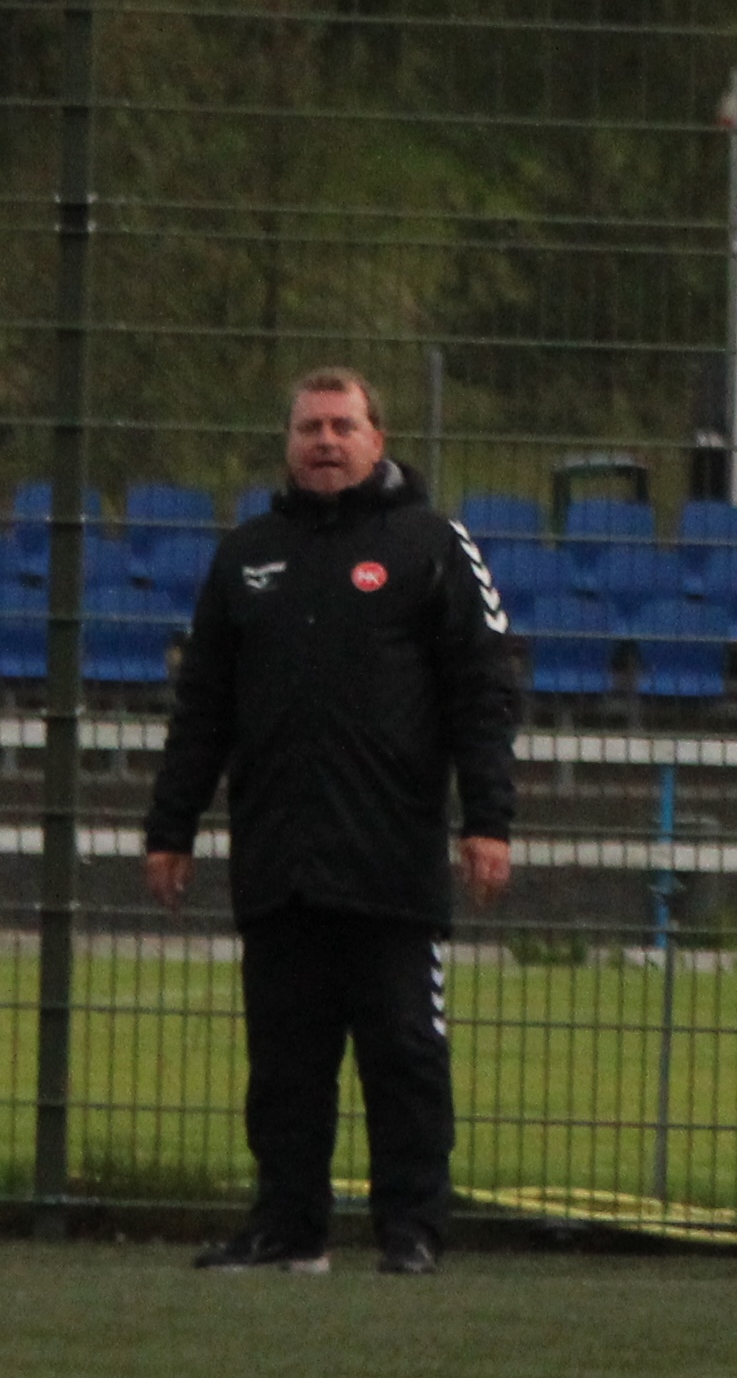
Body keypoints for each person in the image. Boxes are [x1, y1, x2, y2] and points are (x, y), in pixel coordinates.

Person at [145, 369, 520, 1275]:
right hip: (280, 859)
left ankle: (412, 1229)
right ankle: (288, 1228)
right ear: (287, 444)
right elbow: (203, 706)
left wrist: (489, 820)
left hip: (392, 861)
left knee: (405, 1054)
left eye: (342, 426)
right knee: (284, 1065)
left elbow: (483, 691)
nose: (325, 441)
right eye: (309, 426)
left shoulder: (433, 545)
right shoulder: (246, 556)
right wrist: (170, 826)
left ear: (377, 439)